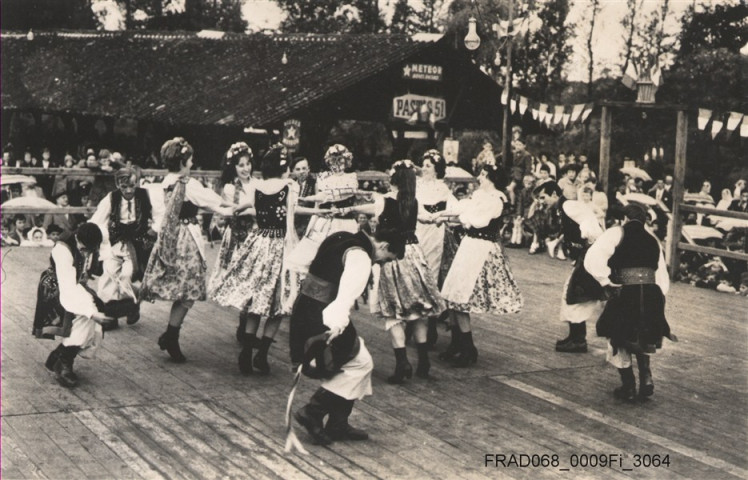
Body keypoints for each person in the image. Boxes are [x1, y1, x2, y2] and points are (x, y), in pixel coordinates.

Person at [210, 145, 328, 374]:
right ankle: (262, 354)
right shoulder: (289, 186)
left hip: (260, 241)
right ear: (284, 167)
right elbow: (295, 210)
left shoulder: (256, 186)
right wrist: (318, 212)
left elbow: (243, 206)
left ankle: (246, 351)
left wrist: (232, 209)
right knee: (280, 302)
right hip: (281, 245)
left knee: (256, 299)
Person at [289, 216, 405, 446]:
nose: (380, 264)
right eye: (384, 259)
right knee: (360, 363)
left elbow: (305, 263)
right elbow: (345, 298)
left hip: (307, 307)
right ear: (383, 246)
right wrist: (335, 329)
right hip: (324, 313)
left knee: (354, 363)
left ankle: (337, 423)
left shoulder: (341, 236)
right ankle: (313, 412)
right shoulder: (360, 257)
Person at [346, 160, 445, 382]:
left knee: (394, 312)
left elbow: (366, 209)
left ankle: (402, 364)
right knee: (418, 310)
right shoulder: (414, 201)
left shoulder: (385, 201)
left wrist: (348, 207)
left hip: (393, 254)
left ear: (394, 179)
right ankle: (423, 362)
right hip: (414, 253)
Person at [141, 137, 234, 363]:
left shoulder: (166, 182)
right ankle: (171, 334)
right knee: (188, 290)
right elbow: (214, 202)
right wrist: (236, 208)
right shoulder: (187, 184)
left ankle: (171, 334)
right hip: (186, 238)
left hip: (171, 237)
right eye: (190, 159)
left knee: (184, 290)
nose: (192, 163)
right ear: (183, 161)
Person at [585, 203, 675, 402]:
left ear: (624, 218)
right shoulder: (653, 239)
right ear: (644, 220)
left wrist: (605, 281)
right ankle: (646, 377)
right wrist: (658, 296)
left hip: (625, 291)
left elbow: (593, 257)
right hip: (651, 293)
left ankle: (629, 387)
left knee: (618, 336)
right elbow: (661, 274)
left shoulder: (616, 233)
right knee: (643, 336)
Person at [436, 165, 523, 367]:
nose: (479, 178)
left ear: (491, 178)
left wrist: (460, 219)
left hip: (481, 249)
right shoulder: (480, 196)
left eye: (483, 175)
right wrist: (439, 215)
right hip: (469, 245)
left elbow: (479, 221)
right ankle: (457, 344)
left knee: (461, 296)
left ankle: (468, 348)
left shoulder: (496, 199)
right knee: (452, 293)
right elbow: (462, 209)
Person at [33, 223, 116, 388]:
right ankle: (63, 362)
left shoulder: (95, 234)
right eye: (83, 248)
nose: (85, 252)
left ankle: (59, 356)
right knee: (84, 319)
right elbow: (69, 289)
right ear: (77, 237)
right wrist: (90, 312)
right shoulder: (63, 250)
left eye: (89, 250)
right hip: (57, 286)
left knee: (92, 318)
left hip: (78, 283)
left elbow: (104, 237)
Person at [90, 166, 154, 329]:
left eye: (132, 185)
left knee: (127, 275)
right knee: (108, 274)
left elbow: (159, 214)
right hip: (115, 241)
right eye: (124, 187)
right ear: (118, 185)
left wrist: (155, 229)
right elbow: (96, 220)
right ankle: (110, 314)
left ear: (138, 183)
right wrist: (91, 236)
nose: (128, 190)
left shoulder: (146, 196)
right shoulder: (111, 198)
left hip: (137, 244)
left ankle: (132, 304)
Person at [207, 142, 259, 342]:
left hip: (255, 234)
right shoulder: (230, 188)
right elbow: (234, 209)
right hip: (238, 235)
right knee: (242, 278)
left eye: (248, 164)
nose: (246, 169)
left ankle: (246, 323)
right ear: (233, 167)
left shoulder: (256, 183)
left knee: (254, 278)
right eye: (241, 165)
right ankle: (244, 323)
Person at [286, 144, 360, 274]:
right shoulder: (324, 178)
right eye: (333, 161)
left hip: (345, 222)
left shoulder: (351, 177)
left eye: (340, 161)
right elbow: (320, 202)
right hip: (325, 221)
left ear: (346, 161)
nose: (337, 165)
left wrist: (309, 198)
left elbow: (340, 194)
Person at [415, 149, 457, 346]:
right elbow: (412, 205)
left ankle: (431, 323)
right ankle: (413, 320)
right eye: (423, 165)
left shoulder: (443, 189)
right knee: (415, 271)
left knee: (431, 274)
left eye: (428, 165)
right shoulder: (416, 186)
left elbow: (456, 208)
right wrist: (424, 214)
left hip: (435, 233)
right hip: (417, 230)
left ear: (437, 169)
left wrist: (442, 216)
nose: (424, 168)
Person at [554, 200, 606, 353]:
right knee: (571, 295)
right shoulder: (586, 226)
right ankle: (574, 336)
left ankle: (579, 340)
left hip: (588, 265)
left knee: (576, 298)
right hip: (584, 262)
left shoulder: (588, 228)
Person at [292, 156, 316, 239]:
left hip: (309, 222)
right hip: (293, 223)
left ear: (308, 169)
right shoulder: (291, 184)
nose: (301, 172)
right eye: (298, 169)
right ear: (293, 171)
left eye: (304, 168)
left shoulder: (314, 183)